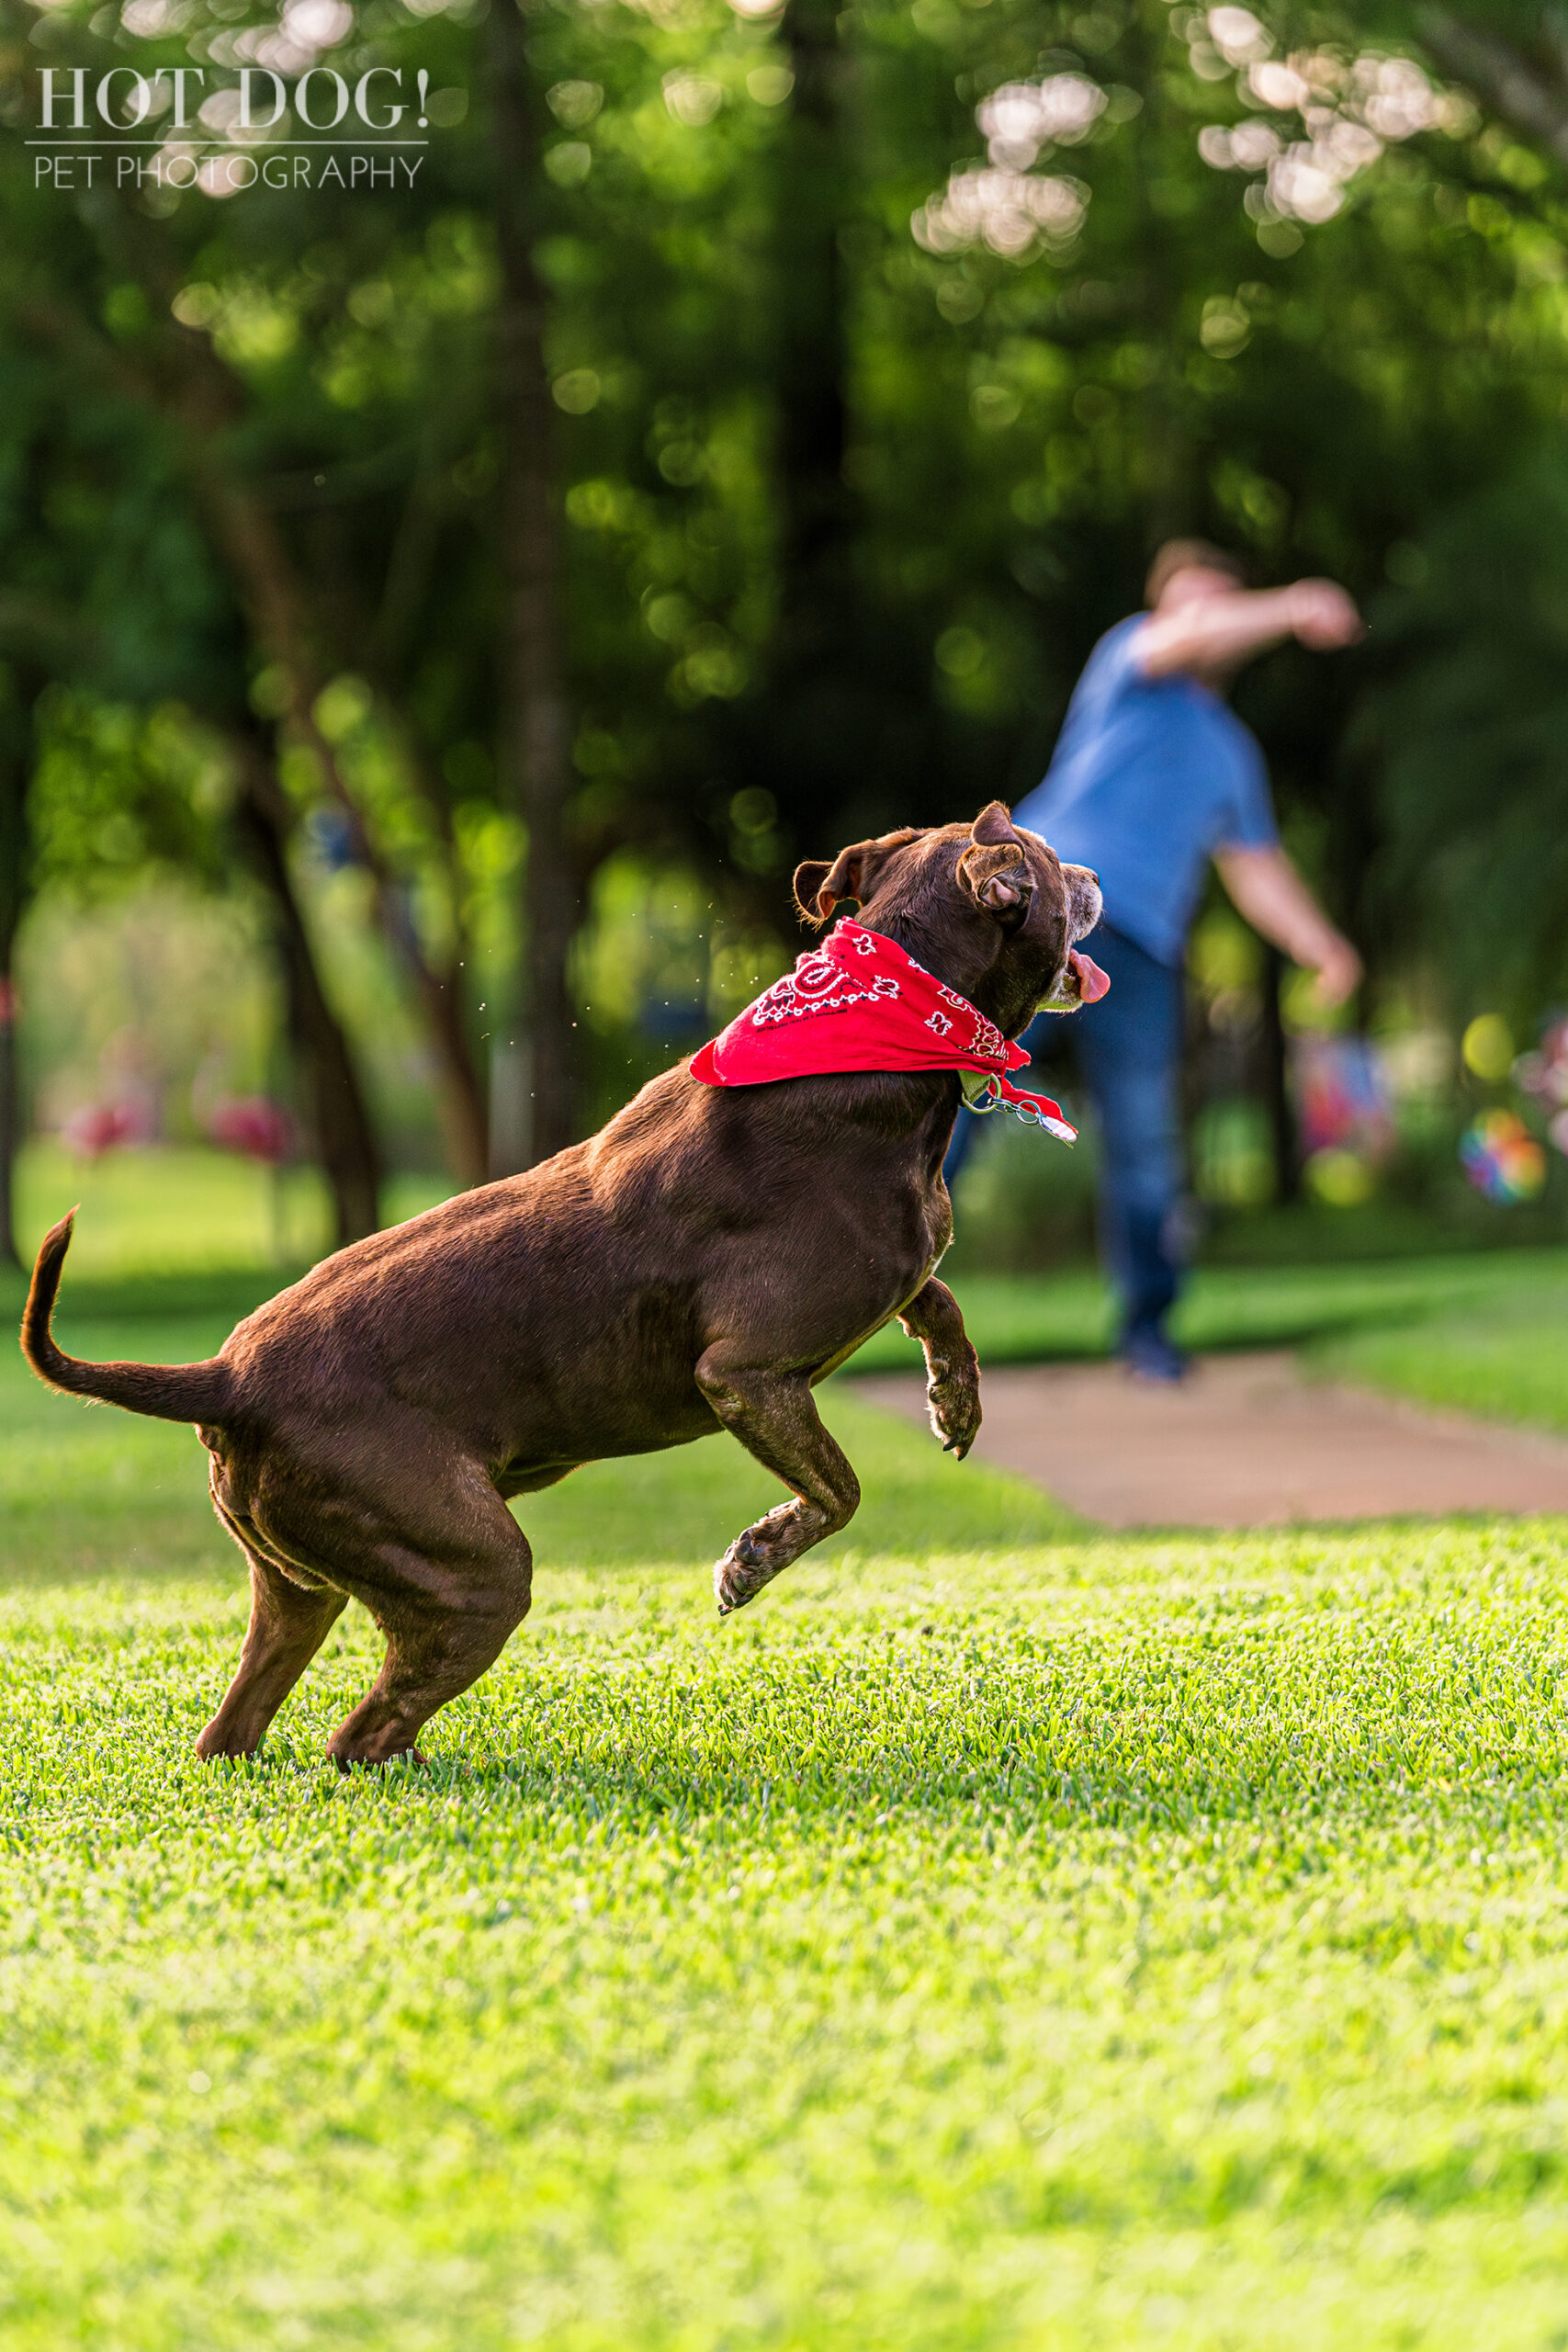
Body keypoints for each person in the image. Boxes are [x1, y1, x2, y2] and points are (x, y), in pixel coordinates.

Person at [947, 537, 1364, 1383]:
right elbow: (1185, 632)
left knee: (1145, 1142)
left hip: (1143, 955)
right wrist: (1292, 606)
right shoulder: (1126, 665)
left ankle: (1147, 1333)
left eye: (1215, 604)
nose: (1201, 621)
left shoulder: (1227, 751)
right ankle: (856, 1272)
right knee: (955, 1098)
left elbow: (1254, 867)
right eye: (1187, 606)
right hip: (1042, 913)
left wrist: (1318, 943)